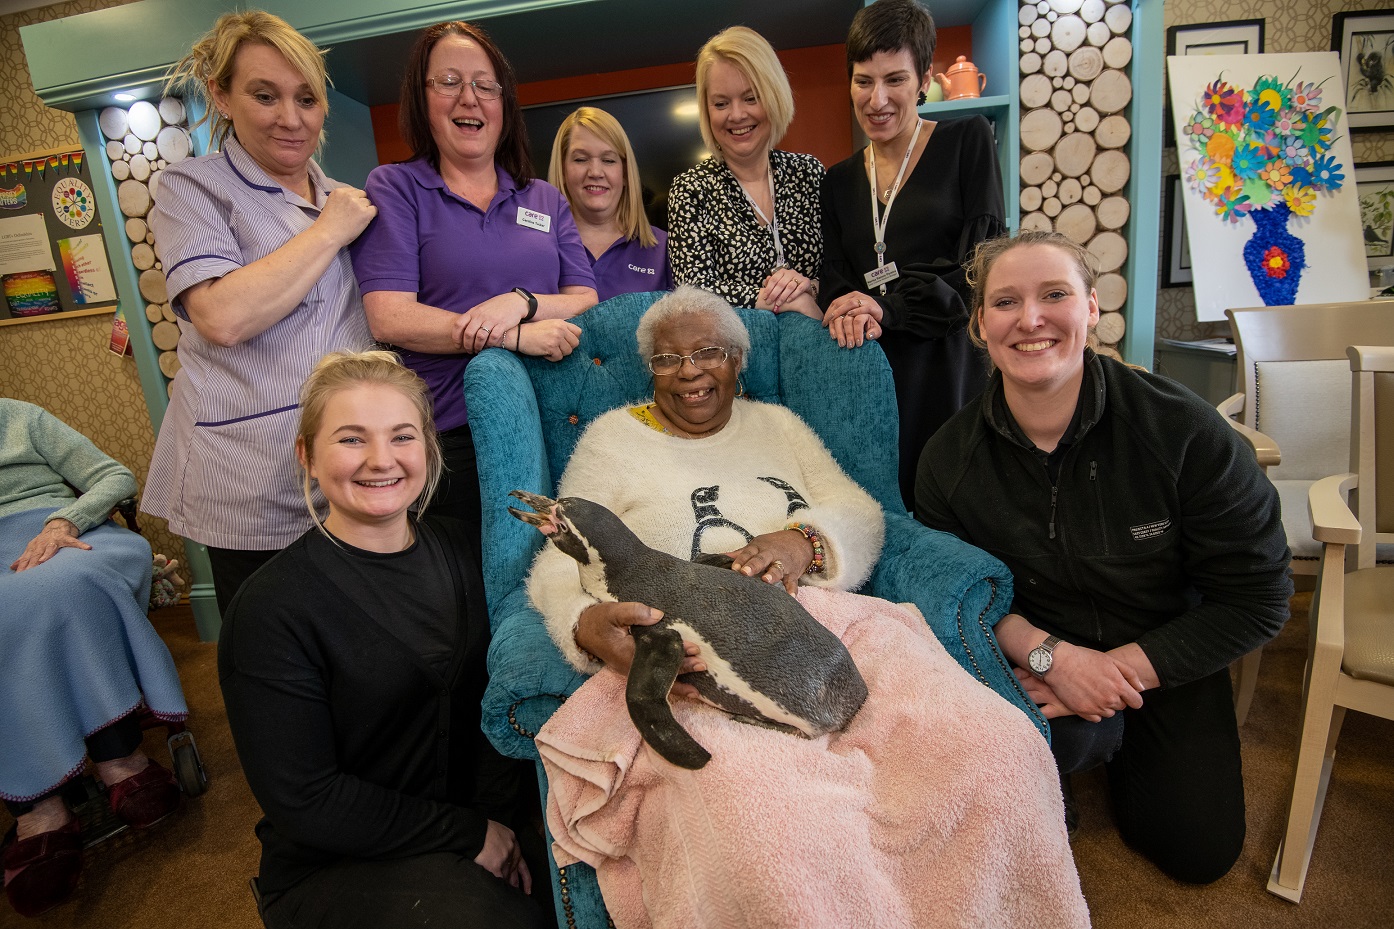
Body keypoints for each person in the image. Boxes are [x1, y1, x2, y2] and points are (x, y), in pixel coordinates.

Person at [523, 287, 1090, 927]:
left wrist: (805, 541)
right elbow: (559, 555)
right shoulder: (612, 438)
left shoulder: (779, 426)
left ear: (738, 362)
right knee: (772, 825)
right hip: (695, 647)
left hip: (825, 620)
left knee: (994, 749)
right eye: (666, 359)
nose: (688, 373)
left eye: (708, 353)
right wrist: (585, 625)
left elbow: (858, 510)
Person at [915, 231, 1293, 884]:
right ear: (981, 324)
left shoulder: (1185, 433)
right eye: (1006, 301)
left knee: (1196, 851)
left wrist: (1116, 672)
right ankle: (1083, 740)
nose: (1031, 318)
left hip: (1165, 649)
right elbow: (948, 586)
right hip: (1034, 654)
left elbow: (1259, 597)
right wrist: (1047, 656)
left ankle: (1110, 733)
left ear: (1091, 308)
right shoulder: (948, 459)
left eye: (1054, 294)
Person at [219, 351, 549, 929]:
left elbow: (500, 699)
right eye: (351, 439)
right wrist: (469, 836)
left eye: (402, 436)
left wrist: (501, 829)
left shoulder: (468, 548)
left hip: (485, 823)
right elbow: (306, 800)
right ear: (308, 457)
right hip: (340, 859)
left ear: (428, 447)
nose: (381, 460)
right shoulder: (271, 609)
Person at [143, 10, 378, 612]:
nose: (291, 118)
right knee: (274, 651)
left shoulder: (341, 197)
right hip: (251, 471)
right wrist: (329, 232)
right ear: (221, 95)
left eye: (307, 98)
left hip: (346, 465)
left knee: (356, 641)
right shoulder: (191, 188)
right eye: (264, 95)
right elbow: (221, 316)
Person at [352, 21, 596, 553]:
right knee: (469, 591)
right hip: (453, 434)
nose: (470, 98)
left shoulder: (544, 199)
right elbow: (390, 317)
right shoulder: (396, 187)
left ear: (504, 104)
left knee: (557, 581)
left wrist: (521, 303)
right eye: (448, 82)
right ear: (422, 97)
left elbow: (584, 299)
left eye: (486, 85)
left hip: (552, 415)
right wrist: (511, 337)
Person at [1, 400, 186, 918]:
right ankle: (37, 807)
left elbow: (113, 476)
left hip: (60, 533)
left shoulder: (20, 417)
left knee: (70, 585)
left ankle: (119, 757)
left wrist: (66, 521)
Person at [820, 0, 1006, 511]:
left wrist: (890, 307)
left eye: (894, 79)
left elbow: (980, 267)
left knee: (955, 509)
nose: (876, 99)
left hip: (947, 369)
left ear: (926, 79)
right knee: (877, 517)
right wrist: (847, 307)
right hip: (870, 372)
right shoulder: (836, 181)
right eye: (863, 81)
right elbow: (835, 276)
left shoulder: (968, 142)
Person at [667, 27, 823, 319]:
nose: (736, 115)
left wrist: (809, 287)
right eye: (721, 103)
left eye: (750, 98)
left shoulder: (810, 174)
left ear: (773, 96)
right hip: (736, 357)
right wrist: (781, 300)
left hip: (816, 351)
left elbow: (843, 269)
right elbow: (692, 294)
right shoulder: (691, 190)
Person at [548, 106, 673, 300]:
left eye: (608, 160)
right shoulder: (542, 246)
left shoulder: (664, 249)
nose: (595, 172)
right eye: (581, 159)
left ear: (625, 172)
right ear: (563, 170)